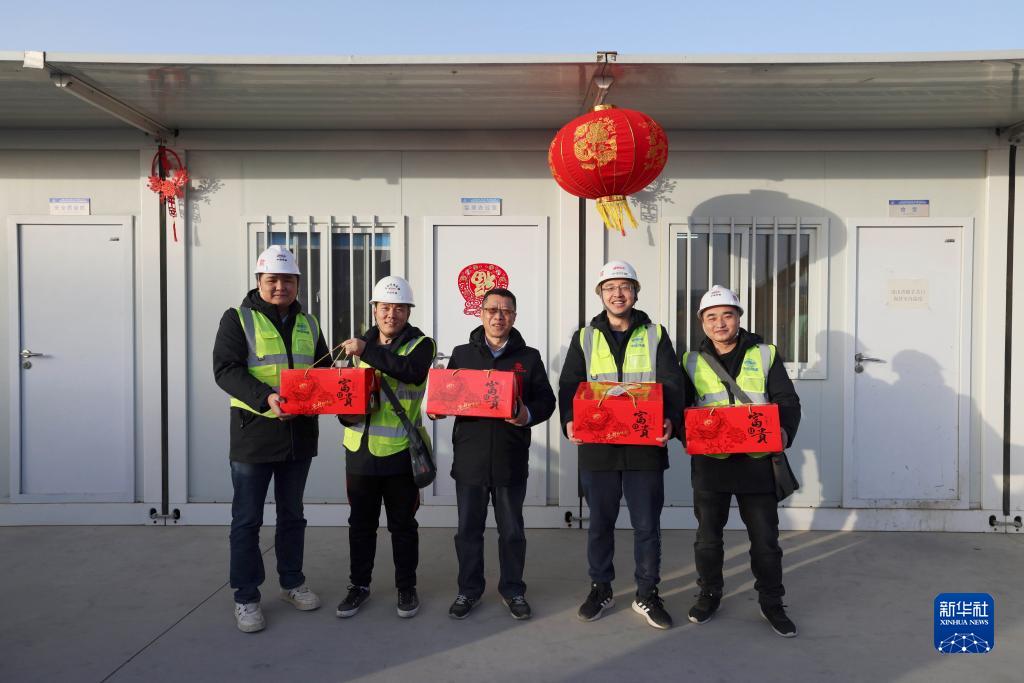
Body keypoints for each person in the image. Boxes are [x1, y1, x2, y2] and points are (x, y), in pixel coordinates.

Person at [558, 260, 684, 630]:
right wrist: (569, 418)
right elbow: (570, 383)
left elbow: (672, 381)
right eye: (610, 287)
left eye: (625, 286)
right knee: (600, 522)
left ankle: (647, 593)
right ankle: (601, 588)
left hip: (644, 444)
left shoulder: (656, 334)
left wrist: (670, 418)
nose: (618, 293)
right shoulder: (585, 337)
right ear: (600, 294)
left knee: (646, 525)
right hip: (598, 445)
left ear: (635, 293)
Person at [213, 244, 330, 633]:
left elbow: (323, 371)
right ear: (259, 281)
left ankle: (292, 582)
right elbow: (226, 370)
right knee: (247, 519)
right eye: (272, 280)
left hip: (298, 434)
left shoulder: (309, 323)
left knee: (292, 514)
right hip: (254, 434)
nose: (281, 286)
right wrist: (266, 398)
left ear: (298, 283)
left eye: (288, 280)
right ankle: (246, 597)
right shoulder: (238, 319)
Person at [680, 284, 802, 638]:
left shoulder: (764, 354)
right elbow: (679, 408)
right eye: (711, 317)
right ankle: (709, 594)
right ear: (702, 322)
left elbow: (787, 400)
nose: (720, 323)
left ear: (739, 318)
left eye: (727, 316)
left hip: (756, 461)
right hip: (712, 463)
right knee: (708, 538)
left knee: (765, 539)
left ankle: (772, 601)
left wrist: (784, 432)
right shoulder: (689, 361)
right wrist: (689, 436)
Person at [430, 288, 556, 621]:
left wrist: (527, 414)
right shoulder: (462, 354)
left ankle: (513, 589)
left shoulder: (529, 358)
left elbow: (547, 401)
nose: (498, 316)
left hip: (510, 459)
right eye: (492, 310)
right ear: (481, 313)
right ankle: (468, 590)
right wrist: (437, 408)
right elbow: (447, 394)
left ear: (514, 316)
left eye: (506, 311)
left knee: (512, 531)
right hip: (470, 459)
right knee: (468, 531)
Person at [334, 275, 436, 620]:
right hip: (359, 451)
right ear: (374, 309)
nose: (391, 314)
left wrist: (366, 351)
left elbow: (409, 372)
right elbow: (347, 393)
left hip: (400, 452)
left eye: (399, 308)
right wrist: (343, 410)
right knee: (360, 525)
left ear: (408, 312)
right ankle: (358, 586)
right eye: (385, 307)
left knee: (402, 526)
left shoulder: (421, 345)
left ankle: (406, 587)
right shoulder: (357, 346)